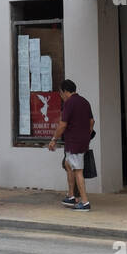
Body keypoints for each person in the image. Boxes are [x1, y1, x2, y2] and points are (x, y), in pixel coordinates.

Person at [48, 79, 94, 210]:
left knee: (78, 170)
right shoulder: (85, 102)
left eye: (61, 93)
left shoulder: (69, 103)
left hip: (74, 142)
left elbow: (62, 125)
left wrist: (54, 139)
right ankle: (71, 195)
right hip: (82, 141)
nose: (61, 96)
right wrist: (86, 135)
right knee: (68, 164)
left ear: (65, 91)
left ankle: (84, 202)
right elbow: (92, 121)